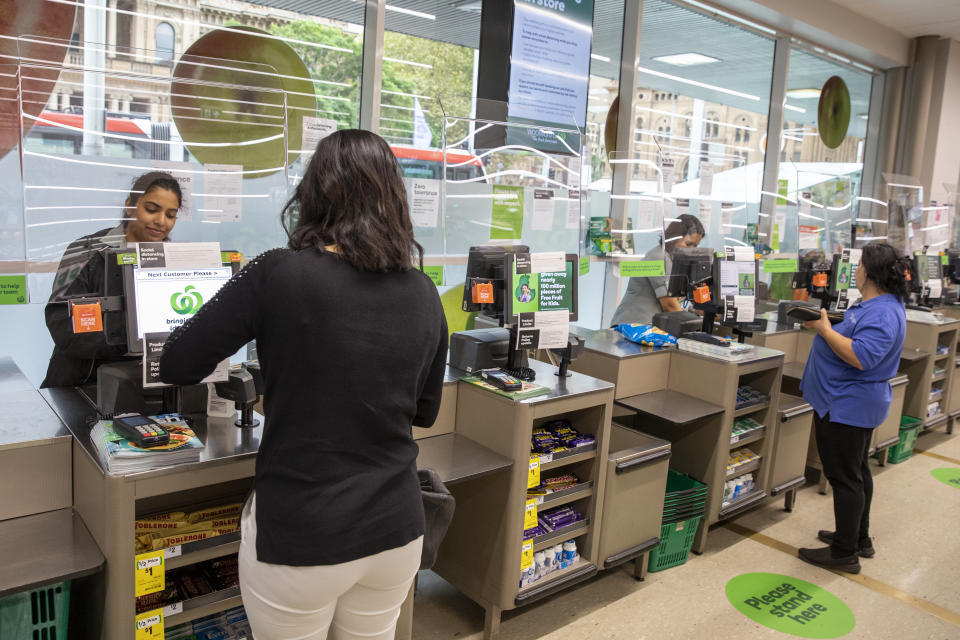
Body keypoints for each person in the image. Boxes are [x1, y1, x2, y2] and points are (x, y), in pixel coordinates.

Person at [159, 129, 448, 640]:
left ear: (314, 193)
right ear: (394, 198)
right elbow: (424, 411)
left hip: (303, 533)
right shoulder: (424, 292)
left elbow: (178, 361)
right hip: (396, 530)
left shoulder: (278, 272)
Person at [798, 242, 909, 574]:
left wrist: (825, 330)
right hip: (848, 402)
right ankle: (857, 537)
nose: (855, 270)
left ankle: (845, 553)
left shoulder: (883, 312)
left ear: (870, 273)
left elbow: (862, 355)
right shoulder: (880, 305)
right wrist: (828, 324)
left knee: (844, 478)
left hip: (846, 404)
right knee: (857, 472)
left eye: (859, 265)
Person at [40, 171, 182, 388]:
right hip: (82, 385)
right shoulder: (84, 252)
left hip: (146, 388)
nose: (161, 221)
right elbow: (62, 323)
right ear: (130, 205)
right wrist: (129, 340)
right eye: (151, 209)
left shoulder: (176, 261)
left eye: (170, 215)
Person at [610, 213, 705, 326]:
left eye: (695, 246)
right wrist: (694, 326)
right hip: (631, 327)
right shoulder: (658, 258)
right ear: (673, 238)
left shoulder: (676, 261)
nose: (691, 250)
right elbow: (669, 305)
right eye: (688, 244)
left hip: (650, 328)